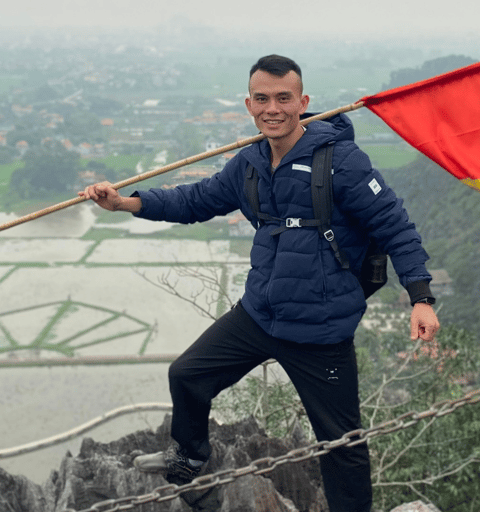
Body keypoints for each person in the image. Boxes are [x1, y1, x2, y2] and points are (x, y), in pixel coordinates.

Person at [79, 54, 440, 512]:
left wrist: (420, 297)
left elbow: (395, 226)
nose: (274, 108)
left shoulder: (342, 162)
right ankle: (188, 458)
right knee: (187, 375)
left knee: (341, 444)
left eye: (284, 98)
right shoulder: (248, 163)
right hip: (260, 314)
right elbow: (195, 200)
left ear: (303, 101)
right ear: (249, 104)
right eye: (263, 99)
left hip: (320, 328)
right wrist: (125, 204)